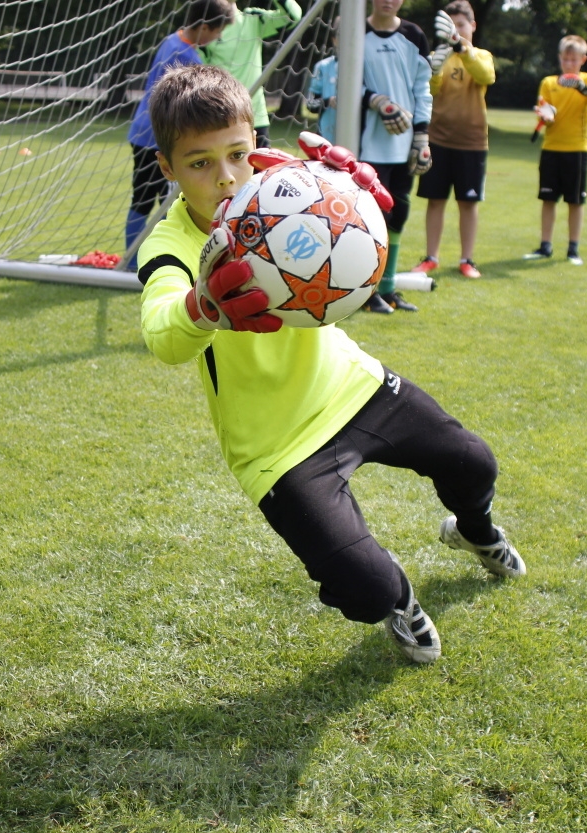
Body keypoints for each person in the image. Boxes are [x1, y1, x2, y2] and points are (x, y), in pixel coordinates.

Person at [138, 64, 525, 665]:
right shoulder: (171, 247)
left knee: (473, 463)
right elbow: (163, 334)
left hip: (352, 386)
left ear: (256, 144)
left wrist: (351, 203)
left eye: (239, 153)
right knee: (364, 591)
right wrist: (202, 306)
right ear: (167, 168)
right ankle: (398, 598)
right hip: (275, 445)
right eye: (199, 163)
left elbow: (340, 221)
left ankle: (475, 531)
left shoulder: (286, 183)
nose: (226, 177)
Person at [125, 0, 234, 266]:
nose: (218, 38)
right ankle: (136, 262)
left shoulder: (171, 40)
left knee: (154, 200)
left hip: (144, 133)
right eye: (218, 32)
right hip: (160, 140)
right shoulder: (187, 58)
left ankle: (145, 260)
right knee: (166, 202)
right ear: (206, 26)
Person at [410, 2, 495, 280]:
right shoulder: (438, 55)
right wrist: (435, 68)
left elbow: (486, 76)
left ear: (472, 26)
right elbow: (430, 91)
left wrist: (462, 48)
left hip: (472, 141)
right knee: (435, 200)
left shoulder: (480, 55)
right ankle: (431, 257)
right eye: (452, 25)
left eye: (461, 25)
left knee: (468, 203)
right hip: (438, 139)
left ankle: (466, 259)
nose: (456, 30)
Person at [359, 0, 433, 314]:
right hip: (364, 144)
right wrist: (375, 101)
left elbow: (422, 88)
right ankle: (365, 291)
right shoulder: (354, 32)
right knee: (369, 219)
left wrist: (422, 135)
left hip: (404, 146)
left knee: (398, 214)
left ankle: (387, 289)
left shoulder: (414, 35)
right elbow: (336, 80)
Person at [522, 34, 587, 266]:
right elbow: (546, 109)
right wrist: (546, 116)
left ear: (583, 59)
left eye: (574, 60)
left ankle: (573, 249)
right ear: (560, 58)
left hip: (577, 149)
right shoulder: (549, 82)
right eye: (565, 59)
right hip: (551, 148)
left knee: (575, 201)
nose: (569, 64)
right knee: (548, 198)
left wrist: (583, 88)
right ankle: (545, 246)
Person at [201, 0, 302, 149]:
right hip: (220, 116)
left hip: (255, 115)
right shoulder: (206, 28)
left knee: (264, 171)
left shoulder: (253, 19)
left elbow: (292, 16)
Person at [305, 19, 339, 144]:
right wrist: (328, 101)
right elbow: (310, 104)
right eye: (341, 36)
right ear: (334, 39)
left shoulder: (364, 66)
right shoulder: (322, 67)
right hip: (326, 138)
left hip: (358, 139)